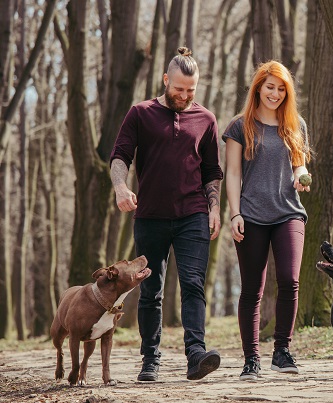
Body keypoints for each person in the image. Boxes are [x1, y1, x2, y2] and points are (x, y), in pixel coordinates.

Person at [110, 47, 223, 382]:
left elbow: (212, 170)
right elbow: (120, 156)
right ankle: (150, 359)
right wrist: (120, 187)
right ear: (165, 80)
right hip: (150, 216)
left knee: (192, 284)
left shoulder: (206, 119)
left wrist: (214, 207)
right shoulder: (140, 113)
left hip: (193, 215)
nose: (185, 96)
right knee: (152, 290)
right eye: (178, 89)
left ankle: (196, 355)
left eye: (191, 90)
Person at [223, 60, 311, 380]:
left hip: (288, 211)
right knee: (252, 290)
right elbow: (232, 173)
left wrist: (302, 177)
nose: (275, 93)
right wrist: (234, 213)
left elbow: (298, 165)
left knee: (289, 279)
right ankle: (252, 359)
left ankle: (282, 350)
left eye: (281, 88)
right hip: (252, 215)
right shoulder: (239, 126)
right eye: (269, 86)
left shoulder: (295, 124)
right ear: (258, 87)